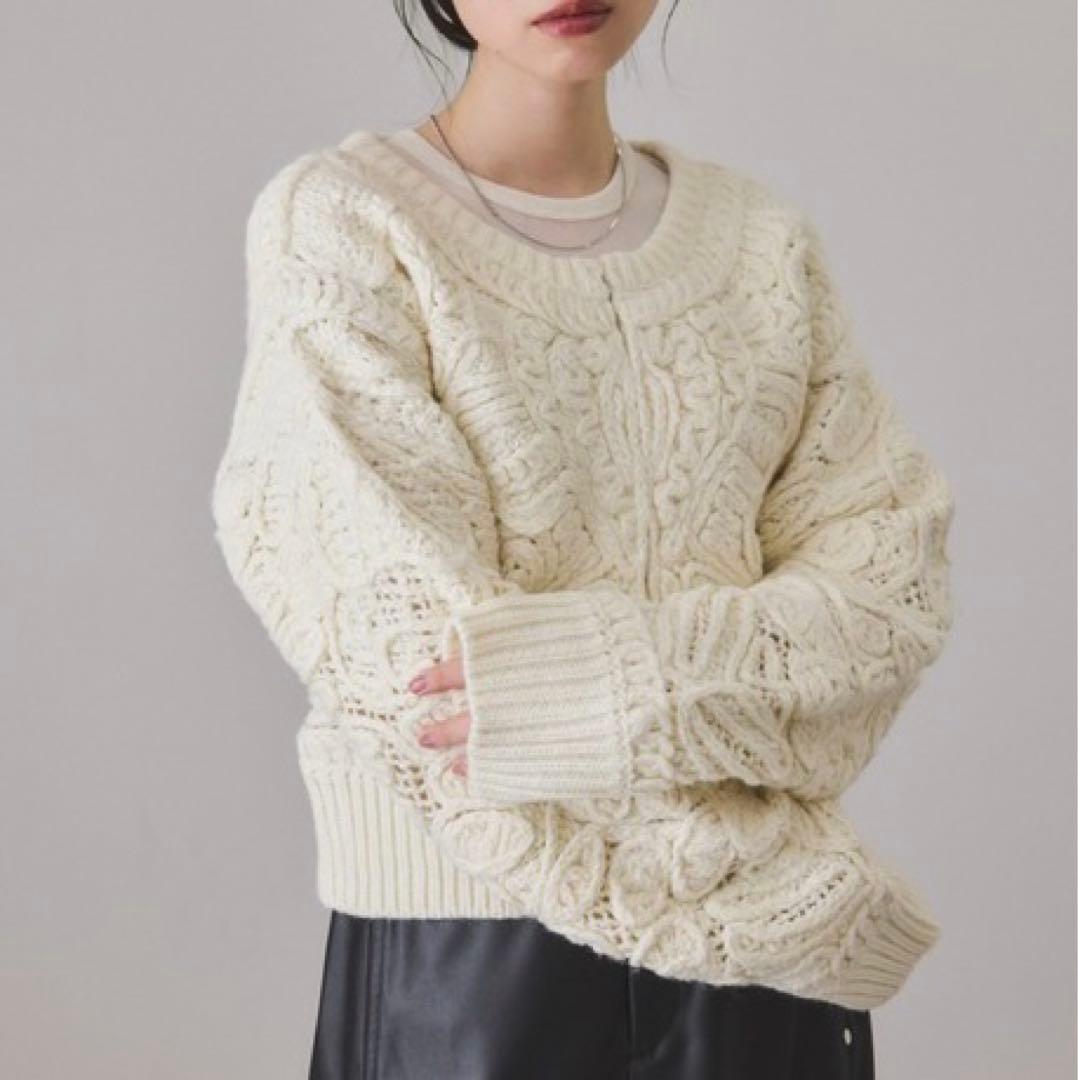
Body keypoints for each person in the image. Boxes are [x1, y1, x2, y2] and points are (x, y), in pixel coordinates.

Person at [210, 1, 957, 1076]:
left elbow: (884, 603)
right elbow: (413, 670)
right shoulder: (348, 225)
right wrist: (765, 868)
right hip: (477, 960)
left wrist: (589, 688)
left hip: (761, 989)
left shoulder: (759, 242)